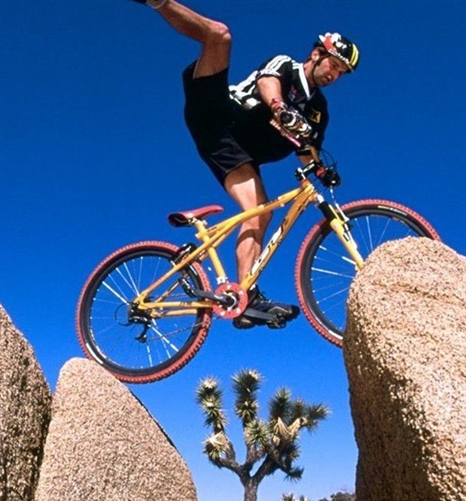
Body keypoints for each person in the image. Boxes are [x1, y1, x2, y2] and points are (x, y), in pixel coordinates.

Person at [129, 0, 359, 329]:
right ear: (316, 54)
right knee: (220, 36)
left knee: (260, 213)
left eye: (342, 73)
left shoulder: (318, 110)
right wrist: (280, 108)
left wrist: (322, 169)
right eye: (334, 65)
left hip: (232, 151)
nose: (335, 75)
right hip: (218, 115)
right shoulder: (288, 67)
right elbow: (268, 84)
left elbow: (308, 152)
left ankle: (243, 296)